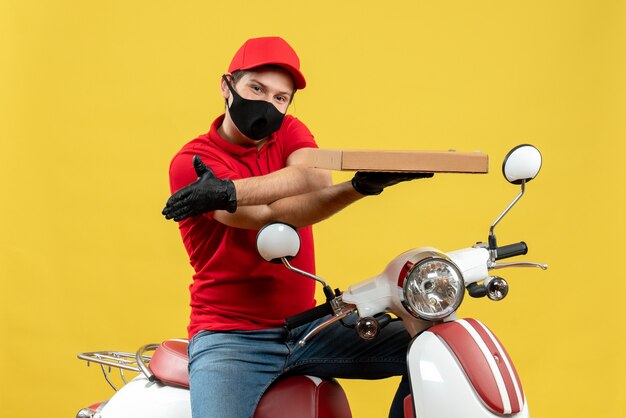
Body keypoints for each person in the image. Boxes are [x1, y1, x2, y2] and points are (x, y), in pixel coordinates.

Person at [162, 36, 433, 418]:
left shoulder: (288, 131)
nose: (268, 104)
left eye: (280, 97)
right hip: (231, 338)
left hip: (307, 329)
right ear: (227, 87)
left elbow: (316, 178)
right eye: (256, 88)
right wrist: (227, 195)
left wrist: (358, 187)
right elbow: (261, 217)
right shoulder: (193, 162)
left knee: (431, 348)